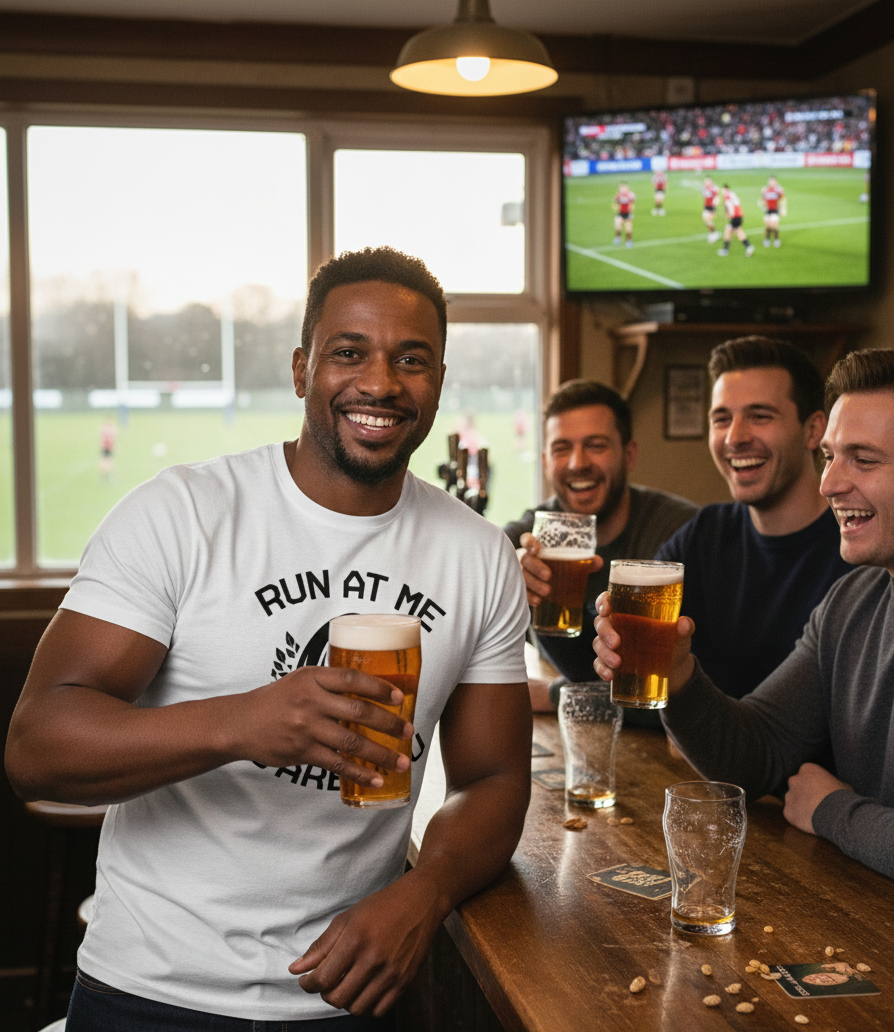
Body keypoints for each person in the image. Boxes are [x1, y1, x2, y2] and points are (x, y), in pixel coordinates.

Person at [5, 246, 532, 1030]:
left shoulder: (478, 554)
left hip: (351, 994)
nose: (380, 383)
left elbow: (493, 780)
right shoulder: (182, 513)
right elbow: (36, 750)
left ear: (440, 382)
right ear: (300, 369)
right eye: (348, 353)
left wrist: (427, 890)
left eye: (411, 359)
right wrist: (243, 721)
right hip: (151, 990)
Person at [594, 347, 894, 881]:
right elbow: (755, 753)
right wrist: (679, 676)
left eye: (864, 460)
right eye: (830, 457)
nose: (829, 484)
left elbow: (816, 800)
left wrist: (833, 810)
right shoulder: (854, 603)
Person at [655, 337, 851, 698]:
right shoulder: (704, 535)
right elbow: (623, 659)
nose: (735, 437)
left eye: (760, 416)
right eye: (721, 419)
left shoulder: (856, 549)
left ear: (813, 430)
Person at [503, 380, 697, 709]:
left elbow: (683, 690)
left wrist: (558, 695)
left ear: (629, 454)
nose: (578, 462)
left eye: (595, 445)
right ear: (547, 460)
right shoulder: (524, 543)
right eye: (561, 448)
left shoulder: (682, 532)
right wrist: (509, 577)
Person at [717, 185, 755, 257]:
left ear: (725, 189)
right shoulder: (732, 194)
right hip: (739, 216)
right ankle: (748, 247)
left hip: (735, 217)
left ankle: (726, 250)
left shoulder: (727, 196)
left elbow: (730, 207)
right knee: (735, 231)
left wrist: (730, 215)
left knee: (731, 231)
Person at [760, 175, 786, 248]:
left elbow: (782, 199)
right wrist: (763, 205)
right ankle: (767, 239)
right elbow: (763, 199)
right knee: (768, 226)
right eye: (771, 180)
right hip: (768, 210)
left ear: (776, 182)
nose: (772, 182)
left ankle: (777, 240)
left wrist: (783, 208)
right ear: (768, 181)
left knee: (774, 226)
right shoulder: (764, 190)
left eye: (773, 181)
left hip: (775, 210)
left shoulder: (779, 190)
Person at [612, 182, 635, 247]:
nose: (623, 189)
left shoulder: (631, 195)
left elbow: (632, 204)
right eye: (621, 187)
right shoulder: (618, 195)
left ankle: (629, 241)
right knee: (618, 227)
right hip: (620, 213)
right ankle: (618, 238)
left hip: (628, 214)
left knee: (628, 229)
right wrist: (616, 208)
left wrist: (631, 212)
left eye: (624, 187)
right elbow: (615, 203)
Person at [701, 176, 721, 243]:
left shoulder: (714, 189)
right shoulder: (706, 188)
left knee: (708, 221)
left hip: (711, 207)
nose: (706, 183)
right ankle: (713, 233)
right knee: (707, 220)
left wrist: (715, 204)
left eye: (707, 181)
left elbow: (717, 197)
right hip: (706, 206)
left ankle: (714, 234)